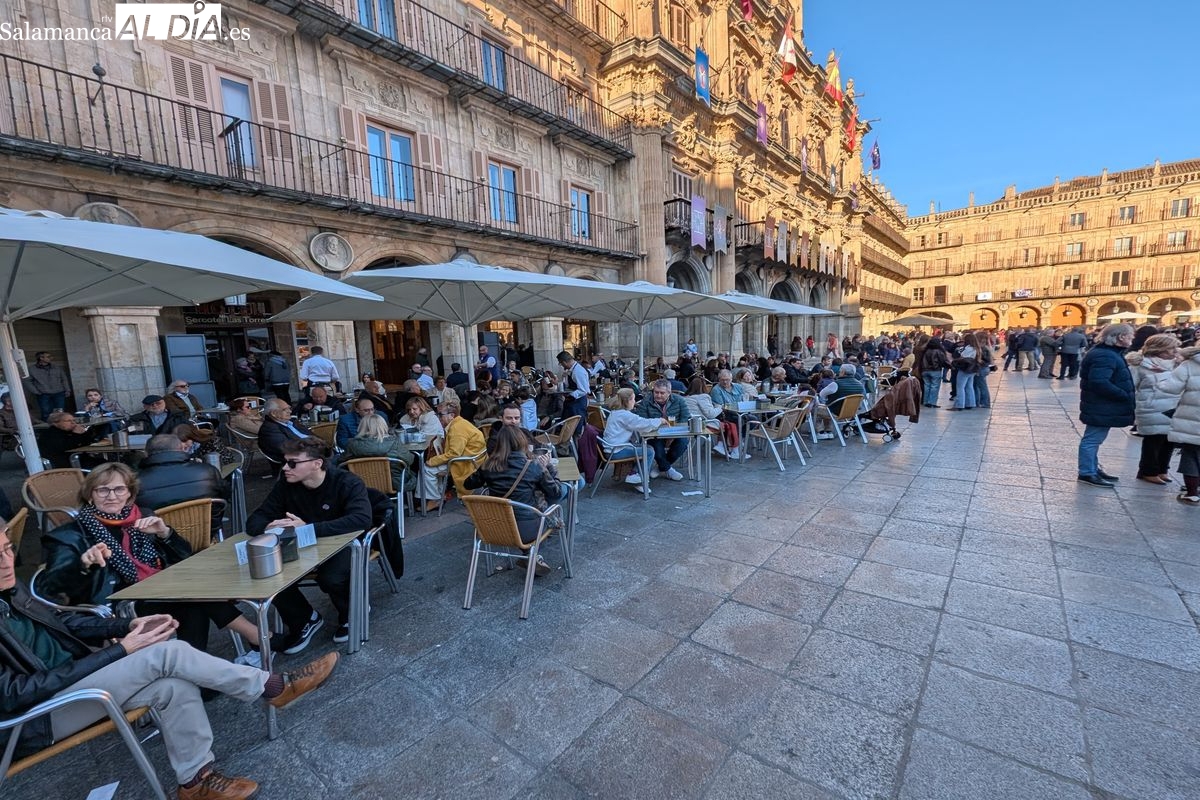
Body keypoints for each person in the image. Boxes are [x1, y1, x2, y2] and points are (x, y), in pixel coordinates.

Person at [0, 523, 337, 800]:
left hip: (73, 683)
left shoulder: (9, 592)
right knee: (166, 653)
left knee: (174, 685)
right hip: (33, 719)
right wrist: (120, 650)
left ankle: (196, 782)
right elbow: (14, 694)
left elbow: (64, 624)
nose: (5, 561)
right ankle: (275, 687)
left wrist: (126, 625)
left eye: (7, 549)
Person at [39, 463, 259, 659]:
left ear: (130, 494)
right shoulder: (69, 535)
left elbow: (183, 555)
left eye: (119, 489)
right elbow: (51, 587)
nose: (111, 496)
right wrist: (83, 564)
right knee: (193, 597)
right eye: (102, 490)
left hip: (157, 589)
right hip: (120, 604)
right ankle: (255, 636)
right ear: (90, 495)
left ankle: (197, 666)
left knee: (193, 602)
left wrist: (165, 534)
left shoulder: (142, 515)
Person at [247, 437, 372, 650]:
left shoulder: (346, 482)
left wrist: (309, 528)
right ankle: (304, 619)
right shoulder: (285, 485)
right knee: (265, 573)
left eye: (293, 463)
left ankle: (352, 610)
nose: (286, 467)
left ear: (317, 463)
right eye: (285, 462)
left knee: (332, 576)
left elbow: (361, 519)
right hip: (302, 547)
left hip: (343, 543)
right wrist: (269, 525)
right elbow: (254, 520)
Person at [464, 426, 563, 576]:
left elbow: (468, 484)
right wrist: (549, 467)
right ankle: (532, 555)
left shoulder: (488, 466)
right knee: (550, 510)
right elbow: (556, 492)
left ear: (499, 444)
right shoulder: (533, 466)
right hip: (527, 531)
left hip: (494, 528)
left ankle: (530, 556)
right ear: (522, 442)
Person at [1077, 324, 1136, 487]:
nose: (1132, 339)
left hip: (1102, 405)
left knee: (1095, 438)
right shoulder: (1105, 355)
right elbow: (1099, 381)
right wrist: (1123, 395)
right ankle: (1087, 472)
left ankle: (1092, 468)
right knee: (1092, 439)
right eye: (1130, 335)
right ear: (1120, 337)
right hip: (1102, 405)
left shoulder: (1107, 353)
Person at [136, 434, 226, 535]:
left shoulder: (135, 482)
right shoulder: (207, 471)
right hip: (206, 534)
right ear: (182, 449)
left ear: (146, 454)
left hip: (159, 542)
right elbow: (224, 497)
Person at [1127, 334, 1182, 485]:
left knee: (1169, 439)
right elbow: (1131, 386)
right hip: (1151, 408)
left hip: (1174, 407)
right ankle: (1148, 471)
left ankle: (1162, 469)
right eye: (1171, 348)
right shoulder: (1140, 365)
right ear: (1159, 348)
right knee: (1154, 439)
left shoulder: (1178, 364)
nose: (1174, 351)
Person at [420, 400, 485, 512]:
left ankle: (435, 499)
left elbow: (454, 454)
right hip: (472, 459)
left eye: (440, 414)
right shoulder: (460, 423)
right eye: (438, 414)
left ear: (452, 415)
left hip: (465, 463)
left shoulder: (457, 428)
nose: (438, 417)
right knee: (430, 466)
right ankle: (439, 495)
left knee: (427, 468)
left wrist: (433, 460)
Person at [602, 388, 665, 494]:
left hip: (612, 447)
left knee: (645, 447)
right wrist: (660, 420)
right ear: (628, 401)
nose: (635, 402)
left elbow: (638, 422)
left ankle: (636, 475)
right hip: (616, 451)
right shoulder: (624, 415)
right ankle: (637, 477)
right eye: (633, 399)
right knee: (649, 451)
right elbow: (643, 424)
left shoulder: (616, 412)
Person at [633, 379, 691, 480]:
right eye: (656, 392)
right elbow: (642, 420)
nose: (658, 395)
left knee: (683, 442)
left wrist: (674, 433)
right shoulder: (646, 402)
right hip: (654, 433)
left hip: (675, 432)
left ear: (669, 393)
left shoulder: (679, 400)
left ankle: (661, 467)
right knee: (657, 448)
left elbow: (685, 417)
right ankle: (668, 469)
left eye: (662, 393)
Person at [1165, 344, 1200, 503]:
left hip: (1191, 417)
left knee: (1191, 455)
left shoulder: (1189, 364)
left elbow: (1170, 388)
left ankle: (1192, 492)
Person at [340, 413, 411, 490]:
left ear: (362, 427)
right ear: (383, 426)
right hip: (393, 482)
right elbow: (409, 460)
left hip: (359, 484)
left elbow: (341, 462)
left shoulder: (352, 444)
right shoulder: (394, 442)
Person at [685, 376, 743, 459]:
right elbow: (710, 414)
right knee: (731, 425)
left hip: (690, 424)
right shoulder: (703, 397)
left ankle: (721, 445)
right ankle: (734, 450)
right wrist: (721, 407)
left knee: (726, 424)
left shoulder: (686, 398)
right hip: (703, 425)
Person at [38, 411, 106, 468]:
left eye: (74, 420)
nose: (73, 423)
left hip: (78, 460)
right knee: (104, 466)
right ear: (55, 423)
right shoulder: (51, 434)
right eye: (68, 421)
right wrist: (77, 434)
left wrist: (84, 433)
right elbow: (68, 446)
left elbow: (86, 443)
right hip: (67, 464)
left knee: (105, 462)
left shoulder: (67, 431)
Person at [258, 398, 314, 466]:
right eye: (285, 409)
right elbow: (286, 447)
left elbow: (311, 435)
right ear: (273, 413)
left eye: (289, 408)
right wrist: (313, 445)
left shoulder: (292, 422)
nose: (290, 411)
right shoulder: (269, 429)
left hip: (312, 450)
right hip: (299, 459)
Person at [26, 351, 69, 421]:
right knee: (46, 412)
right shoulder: (32, 369)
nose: (51, 358)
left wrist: (67, 389)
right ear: (41, 358)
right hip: (43, 394)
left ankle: (60, 425)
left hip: (59, 392)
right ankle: (47, 427)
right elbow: (27, 381)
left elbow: (64, 378)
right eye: (48, 357)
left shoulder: (56, 367)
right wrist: (35, 391)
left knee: (60, 411)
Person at [556, 350, 590, 432]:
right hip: (571, 403)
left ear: (564, 362)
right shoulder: (571, 370)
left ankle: (576, 444)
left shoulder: (578, 371)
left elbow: (584, 390)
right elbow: (569, 385)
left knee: (575, 429)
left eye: (560, 363)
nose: (561, 365)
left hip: (578, 404)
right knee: (567, 428)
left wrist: (571, 395)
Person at [951, 334, 982, 410]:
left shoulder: (968, 348)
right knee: (969, 386)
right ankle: (970, 403)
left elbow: (962, 357)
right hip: (973, 369)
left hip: (965, 368)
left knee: (960, 387)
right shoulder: (977, 348)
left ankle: (959, 404)